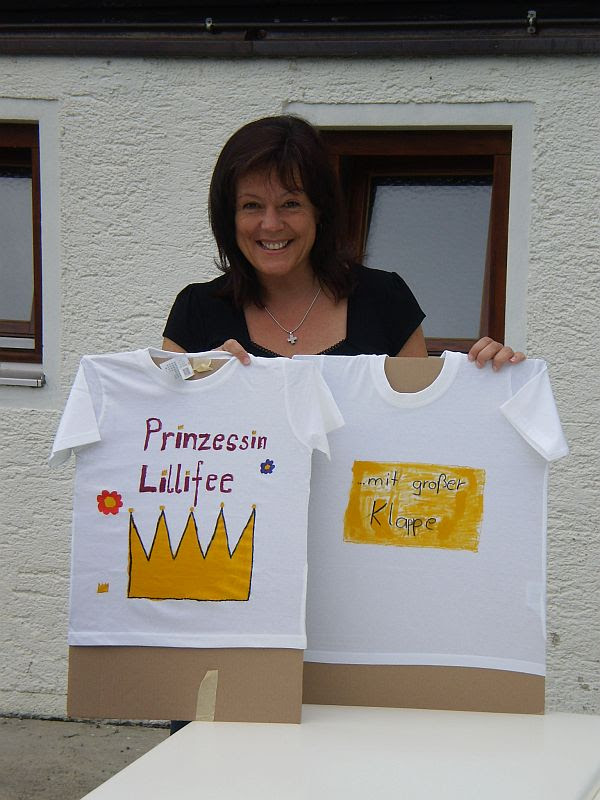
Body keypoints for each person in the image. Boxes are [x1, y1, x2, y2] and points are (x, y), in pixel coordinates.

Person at [162, 115, 524, 368]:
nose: (270, 224)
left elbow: (425, 427)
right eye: (251, 205)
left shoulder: (385, 300)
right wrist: (203, 383)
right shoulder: (196, 312)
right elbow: (166, 431)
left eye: (291, 204)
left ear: (320, 210)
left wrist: (486, 381)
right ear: (229, 217)